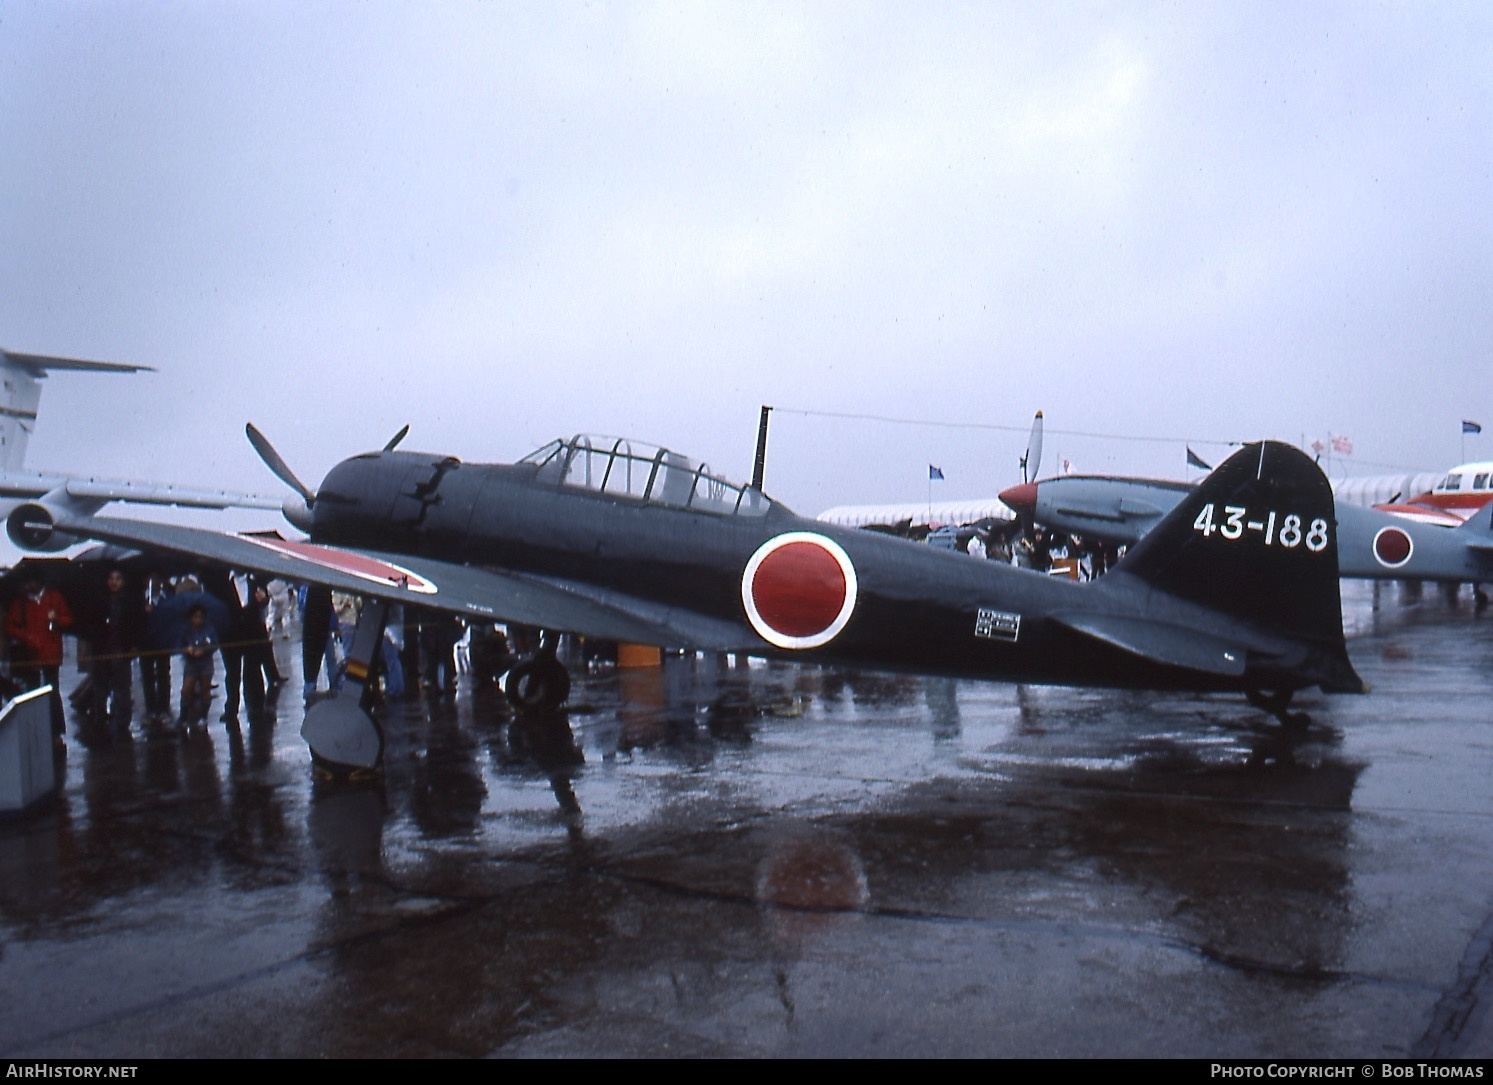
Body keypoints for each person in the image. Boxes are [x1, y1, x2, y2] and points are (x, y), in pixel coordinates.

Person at [7, 572, 74, 743]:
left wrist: (57, 619)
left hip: (51, 653)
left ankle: (56, 732)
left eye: (31, 581)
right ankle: (35, 731)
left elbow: (68, 619)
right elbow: (10, 626)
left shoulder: (54, 597)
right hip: (31, 655)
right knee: (32, 693)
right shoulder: (19, 603)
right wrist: (26, 637)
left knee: (53, 692)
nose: (28, 586)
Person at [86, 568, 145, 732]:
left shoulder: (131, 602)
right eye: (111, 578)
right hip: (102, 650)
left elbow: (137, 625)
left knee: (122, 688)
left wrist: (133, 646)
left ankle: (123, 722)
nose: (114, 582)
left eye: (118, 579)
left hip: (121, 649)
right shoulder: (99, 601)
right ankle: (100, 720)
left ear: (123, 582)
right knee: (100, 688)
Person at [178, 603, 219, 729]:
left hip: (205, 663)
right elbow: (180, 645)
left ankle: (203, 716)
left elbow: (214, 644)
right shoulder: (185, 630)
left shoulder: (209, 629)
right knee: (186, 690)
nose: (197, 620)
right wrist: (187, 650)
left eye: (200, 617)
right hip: (191, 664)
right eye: (195, 617)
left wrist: (204, 650)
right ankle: (183, 717)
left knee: (205, 689)